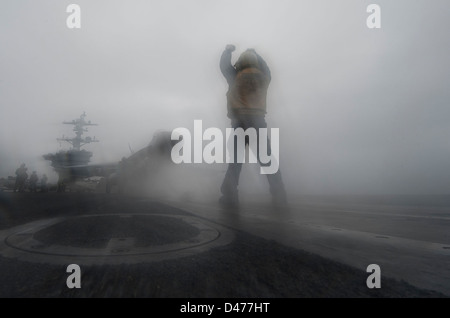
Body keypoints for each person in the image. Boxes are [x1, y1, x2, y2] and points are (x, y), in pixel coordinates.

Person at [219, 44, 287, 209]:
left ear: (241, 62)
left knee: (236, 160)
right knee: (267, 159)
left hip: (239, 122)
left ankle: (230, 197)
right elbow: (268, 69)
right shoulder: (264, 77)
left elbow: (224, 66)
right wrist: (257, 54)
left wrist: (227, 51)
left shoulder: (235, 75)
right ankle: (279, 197)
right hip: (258, 122)